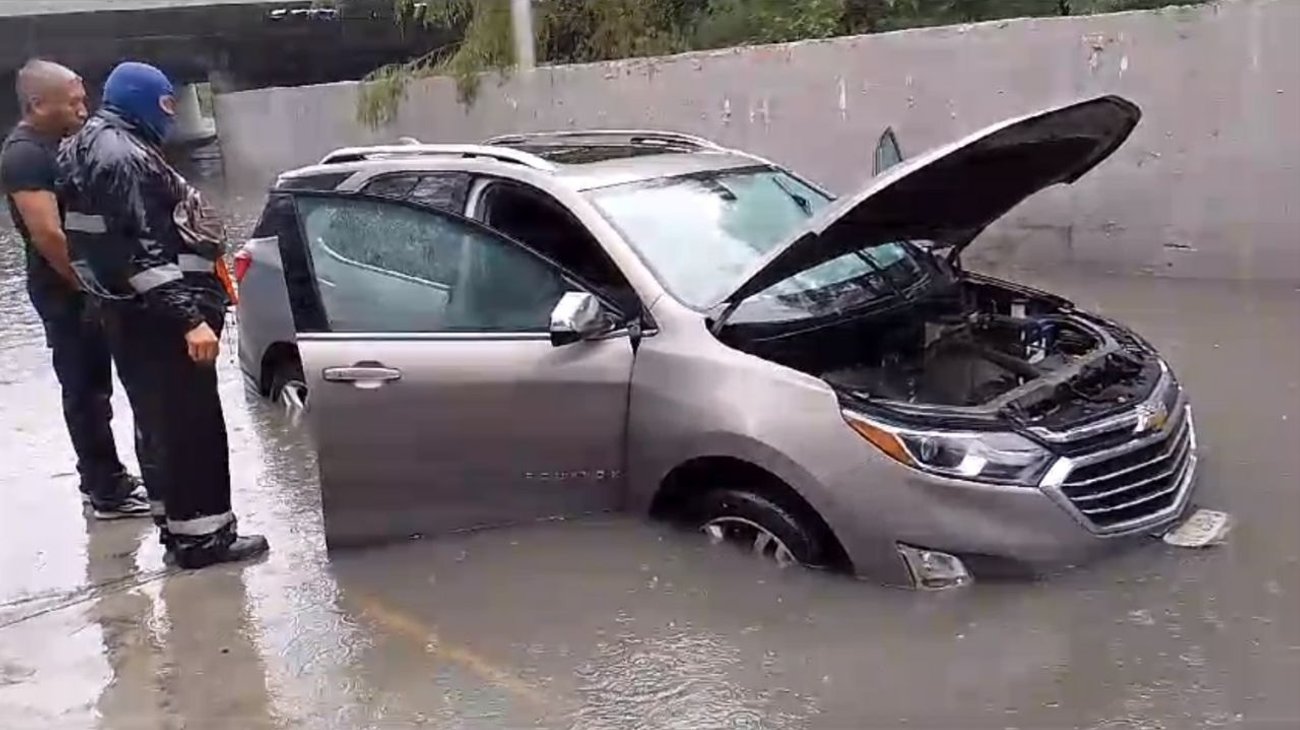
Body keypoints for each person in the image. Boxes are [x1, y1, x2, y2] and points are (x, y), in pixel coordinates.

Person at [58, 61, 268, 569]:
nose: (170, 116)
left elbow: (100, 246)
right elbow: (142, 252)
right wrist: (190, 319)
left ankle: (177, 530)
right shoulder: (121, 155)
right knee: (190, 425)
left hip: (127, 313)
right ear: (140, 99)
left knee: (158, 422)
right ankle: (204, 539)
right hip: (162, 318)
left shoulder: (81, 147)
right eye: (166, 105)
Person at [1, 59, 151, 519]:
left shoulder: (62, 142)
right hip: (67, 291)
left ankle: (107, 477)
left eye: (83, 99)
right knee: (86, 391)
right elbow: (48, 235)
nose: (84, 110)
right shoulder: (25, 154)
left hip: (93, 286)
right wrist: (91, 288)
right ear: (37, 103)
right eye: (73, 102)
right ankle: (105, 489)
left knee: (102, 386)